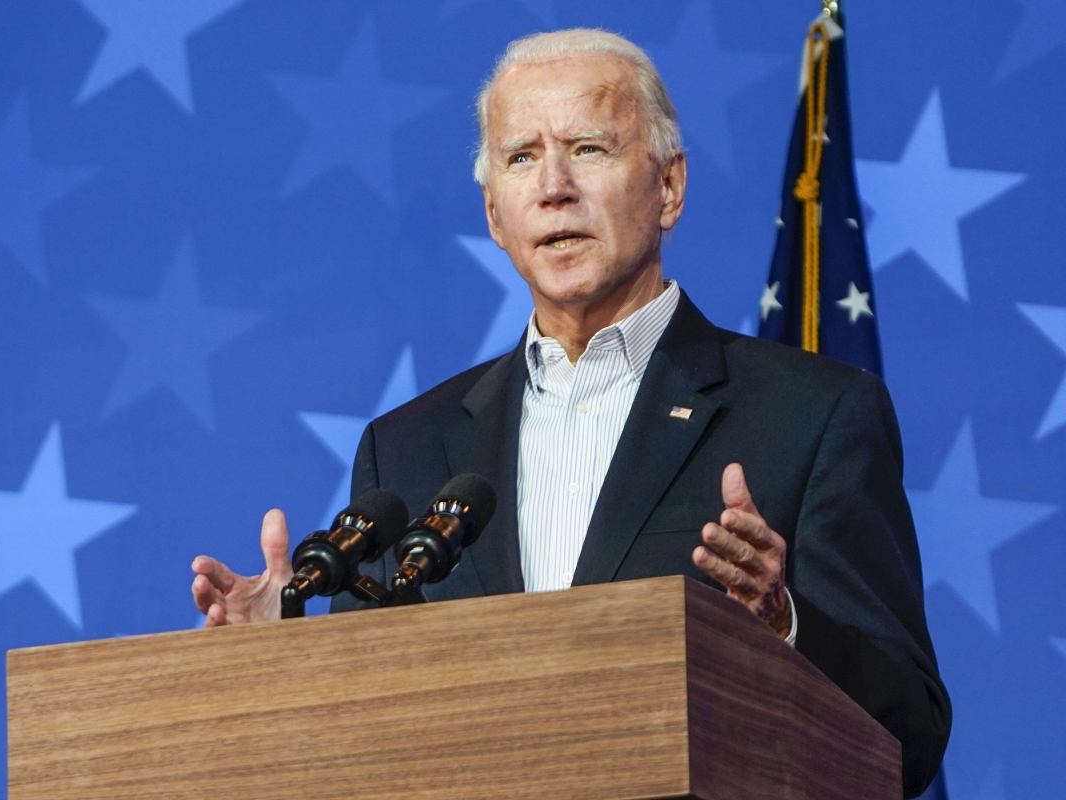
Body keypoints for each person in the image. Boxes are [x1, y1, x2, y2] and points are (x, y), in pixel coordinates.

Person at [191, 28, 950, 798]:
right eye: (521, 157)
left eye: (588, 148)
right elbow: (370, 742)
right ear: (495, 215)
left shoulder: (811, 414)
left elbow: (910, 736)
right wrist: (277, 662)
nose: (553, 185)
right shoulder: (406, 450)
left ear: (669, 186)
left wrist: (784, 627)